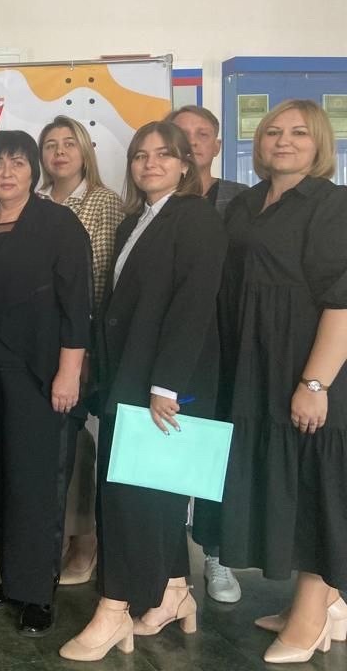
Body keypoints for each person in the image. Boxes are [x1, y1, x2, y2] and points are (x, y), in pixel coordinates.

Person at [60, 121, 227, 661]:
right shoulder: (139, 219)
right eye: (140, 155)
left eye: (164, 154)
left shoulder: (196, 217)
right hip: (127, 378)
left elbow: (193, 304)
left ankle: (115, 608)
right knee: (149, 493)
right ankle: (174, 591)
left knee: (130, 501)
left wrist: (164, 385)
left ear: (185, 164)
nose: (150, 163)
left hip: (161, 386)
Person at [218, 99, 347, 664]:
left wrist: (314, 384)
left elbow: (342, 301)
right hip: (256, 366)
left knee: (315, 488)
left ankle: (313, 617)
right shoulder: (246, 204)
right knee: (283, 485)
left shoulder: (332, 205)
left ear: (320, 143)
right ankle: (313, 603)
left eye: (298, 132)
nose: (283, 141)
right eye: (273, 131)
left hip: (306, 365)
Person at [0, 130, 91, 635]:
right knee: (2, 477)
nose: (6, 172)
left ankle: (37, 592)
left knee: (37, 481)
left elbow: (77, 303)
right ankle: (13, 579)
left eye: (17, 162)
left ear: (34, 169)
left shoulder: (57, 223)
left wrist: (69, 372)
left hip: (40, 372)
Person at [164, 104, 247, 604]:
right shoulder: (156, 200)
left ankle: (217, 553)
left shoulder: (241, 200)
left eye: (202, 134)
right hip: (172, 349)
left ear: (217, 144)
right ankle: (168, 562)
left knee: (216, 454)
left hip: (227, 345)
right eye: (182, 133)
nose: (192, 142)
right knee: (166, 453)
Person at [36, 116, 123, 587]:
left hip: (82, 341)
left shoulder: (103, 202)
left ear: (85, 150)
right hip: (38, 344)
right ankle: (57, 536)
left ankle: (85, 540)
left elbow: (103, 276)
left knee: (80, 442)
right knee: (52, 446)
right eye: (51, 144)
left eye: (69, 143)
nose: (59, 152)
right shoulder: (34, 202)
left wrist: (84, 349)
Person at [165, 105, 248, 214]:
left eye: (203, 135)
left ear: (217, 147)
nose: (192, 142)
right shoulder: (154, 196)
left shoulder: (240, 195)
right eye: (183, 135)